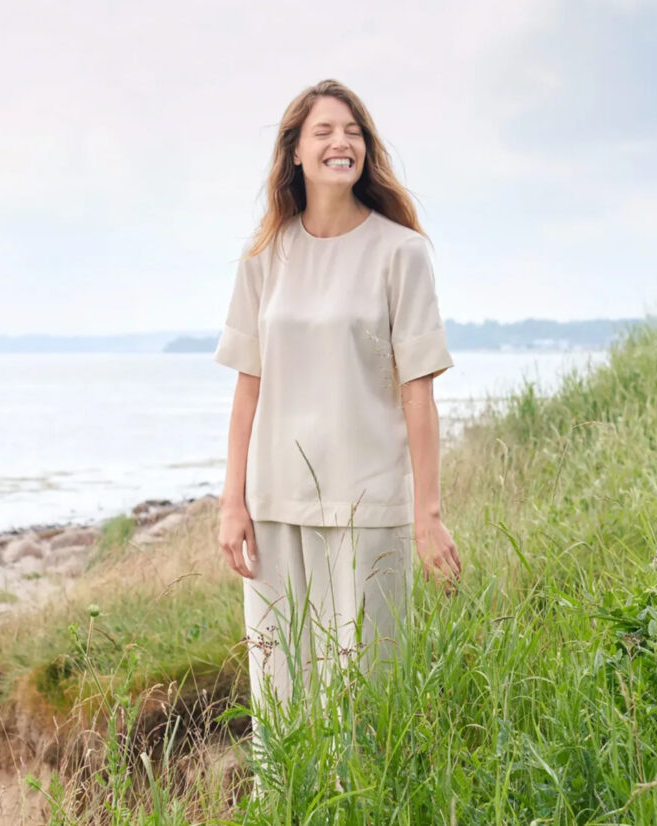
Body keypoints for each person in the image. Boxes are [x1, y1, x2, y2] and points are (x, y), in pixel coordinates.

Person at [212, 78, 462, 793]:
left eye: (351, 131)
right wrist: (232, 502)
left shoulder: (400, 252)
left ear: (367, 150)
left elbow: (418, 389)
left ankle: (371, 807)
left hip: (370, 502)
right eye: (322, 131)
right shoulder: (265, 255)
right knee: (280, 699)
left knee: (369, 695)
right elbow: (247, 386)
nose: (339, 142)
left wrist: (428, 512)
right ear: (294, 152)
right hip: (274, 505)